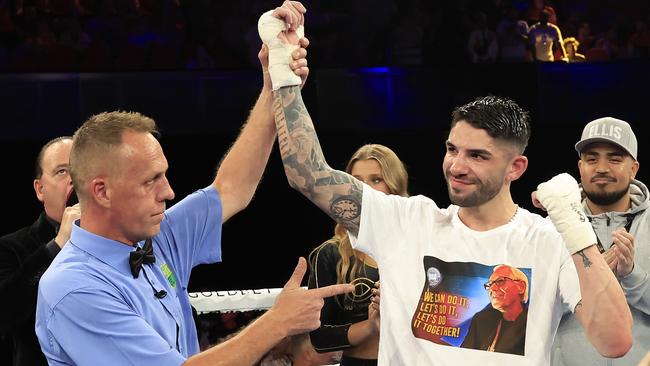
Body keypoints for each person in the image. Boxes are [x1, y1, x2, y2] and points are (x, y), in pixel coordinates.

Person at [258, 7, 632, 363]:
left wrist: (575, 226)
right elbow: (306, 173)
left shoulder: (549, 241)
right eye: (453, 149)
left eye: (478, 156)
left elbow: (614, 342)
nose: (457, 166)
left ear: (515, 168)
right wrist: (283, 69)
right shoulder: (407, 221)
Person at [35, 2, 353, 366]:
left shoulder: (156, 237)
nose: (168, 192)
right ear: (102, 191)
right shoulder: (74, 289)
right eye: (150, 180)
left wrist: (273, 81)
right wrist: (277, 322)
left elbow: (231, 188)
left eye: (164, 175)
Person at [552, 117, 649, 365]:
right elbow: (532, 309)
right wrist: (587, 279)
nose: (602, 167)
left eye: (615, 158)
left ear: (634, 168)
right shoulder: (552, 226)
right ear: (580, 166)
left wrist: (632, 276)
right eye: (591, 159)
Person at [308, 144, 409, 365]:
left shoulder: (419, 245)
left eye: (376, 179)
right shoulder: (330, 254)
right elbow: (320, 337)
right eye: (357, 181)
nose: (365, 190)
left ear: (395, 185)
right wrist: (370, 327)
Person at [0, 136, 80, 366]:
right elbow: (4, 315)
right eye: (62, 171)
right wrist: (57, 245)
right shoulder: (12, 247)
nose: (74, 179)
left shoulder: (120, 240)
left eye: (81, 169)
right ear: (40, 189)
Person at [461, 265, 529, 355]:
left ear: (521, 287)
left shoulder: (533, 323)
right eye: (490, 284)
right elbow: (464, 356)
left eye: (500, 281)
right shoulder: (481, 320)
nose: (492, 289)